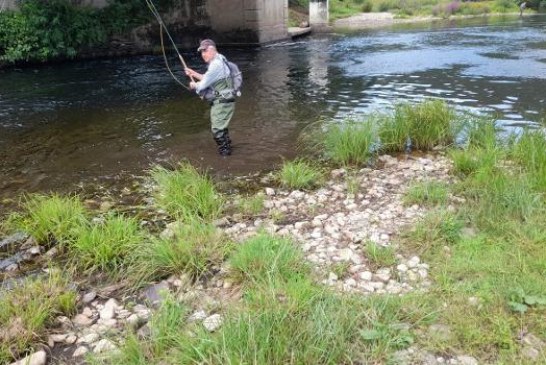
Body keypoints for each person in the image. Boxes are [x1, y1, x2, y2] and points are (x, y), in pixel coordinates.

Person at [185, 39, 235, 156]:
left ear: (212, 50)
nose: (203, 54)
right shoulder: (220, 58)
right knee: (221, 126)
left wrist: (193, 85)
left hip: (222, 101)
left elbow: (202, 85)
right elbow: (209, 78)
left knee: (217, 130)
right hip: (226, 98)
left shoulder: (215, 65)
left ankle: (225, 154)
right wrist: (193, 73)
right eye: (202, 52)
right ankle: (228, 148)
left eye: (205, 51)